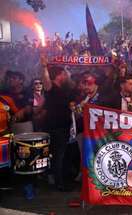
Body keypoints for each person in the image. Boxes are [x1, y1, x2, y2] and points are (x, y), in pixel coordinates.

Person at [42, 61, 74, 191]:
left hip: (63, 127)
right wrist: (44, 67)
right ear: (59, 75)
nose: (66, 76)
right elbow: (46, 81)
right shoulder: (51, 88)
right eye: (64, 74)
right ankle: (59, 184)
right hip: (56, 128)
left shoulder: (63, 89)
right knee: (58, 156)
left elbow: (71, 83)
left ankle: (58, 180)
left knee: (60, 155)